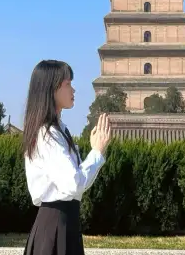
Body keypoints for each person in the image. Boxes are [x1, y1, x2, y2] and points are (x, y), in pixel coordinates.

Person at [23, 60, 112, 255]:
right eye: (68, 84)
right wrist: (96, 152)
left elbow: (77, 185)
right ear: (51, 89)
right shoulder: (47, 135)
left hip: (65, 223)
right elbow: (74, 184)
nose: (73, 90)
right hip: (54, 227)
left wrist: (97, 153)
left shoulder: (59, 130)